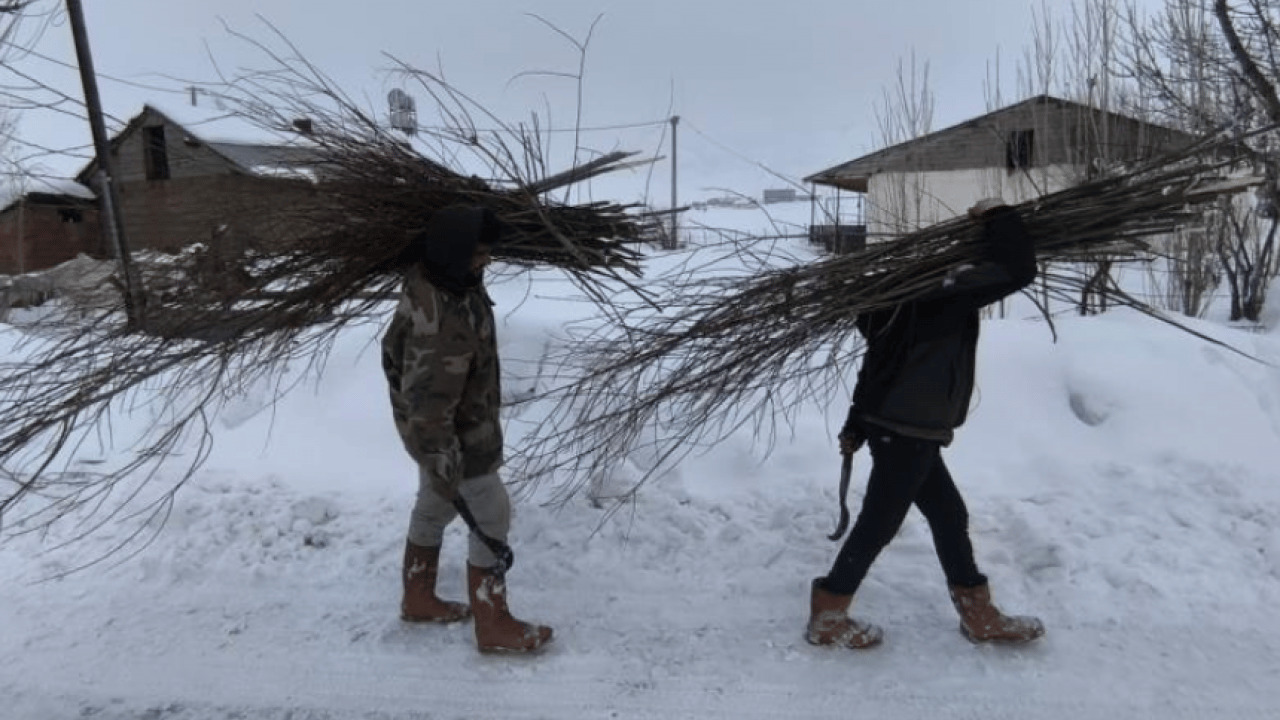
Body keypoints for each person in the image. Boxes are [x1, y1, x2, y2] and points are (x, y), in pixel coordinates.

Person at [807, 198, 1046, 649]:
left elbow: (876, 367)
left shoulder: (897, 299)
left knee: (949, 515)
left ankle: (978, 614)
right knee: (879, 523)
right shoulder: (944, 295)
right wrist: (999, 216)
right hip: (907, 430)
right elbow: (1018, 269)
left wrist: (856, 423)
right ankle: (829, 611)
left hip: (898, 426)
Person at [381, 204, 553, 654]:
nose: (486, 261)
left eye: (487, 252)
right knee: (492, 513)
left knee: (434, 506)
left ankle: (418, 597)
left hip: (459, 428)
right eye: (478, 253)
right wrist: (446, 463)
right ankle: (492, 623)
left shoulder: (452, 281)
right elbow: (427, 411)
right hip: (454, 440)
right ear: (454, 252)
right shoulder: (439, 323)